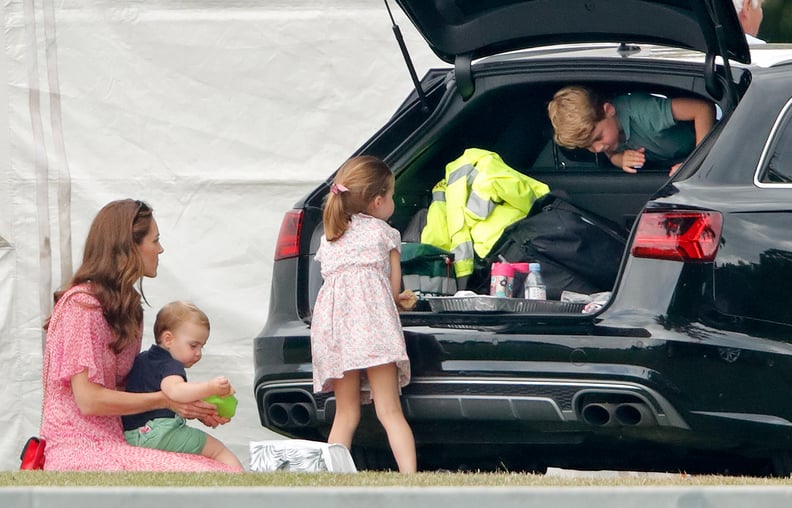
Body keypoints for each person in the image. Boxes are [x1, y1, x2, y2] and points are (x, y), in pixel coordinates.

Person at [40, 199, 242, 472]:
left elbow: (127, 390)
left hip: (118, 440)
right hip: (79, 448)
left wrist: (192, 404)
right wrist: (166, 399)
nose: (160, 249)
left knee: (223, 467)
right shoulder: (81, 306)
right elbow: (89, 401)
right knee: (216, 472)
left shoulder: (129, 307)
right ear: (130, 246)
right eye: (155, 240)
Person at [310, 155, 417, 473]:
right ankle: (410, 477)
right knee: (389, 410)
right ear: (378, 200)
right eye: (392, 196)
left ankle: (330, 479)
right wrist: (401, 300)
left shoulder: (330, 236)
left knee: (345, 413)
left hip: (336, 332)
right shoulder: (385, 234)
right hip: (372, 329)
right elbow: (392, 288)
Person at [122, 301, 243, 470]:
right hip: (158, 432)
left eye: (202, 347)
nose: (198, 353)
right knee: (219, 452)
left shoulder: (143, 359)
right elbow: (175, 391)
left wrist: (203, 412)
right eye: (193, 345)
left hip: (132, 435)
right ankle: (244, 486)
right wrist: (210, 387)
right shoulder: (170, 364)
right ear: (168, 339)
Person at [547, 85, 715, 176]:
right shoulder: (609, 138)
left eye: (598, 138)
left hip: (708, 148)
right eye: (587, 146)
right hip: (674, 162)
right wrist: (621, 159)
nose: (597, 149)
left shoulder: (643, 111)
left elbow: (703, 109)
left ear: (608, 110)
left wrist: (698, 162)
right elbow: (612, 156)